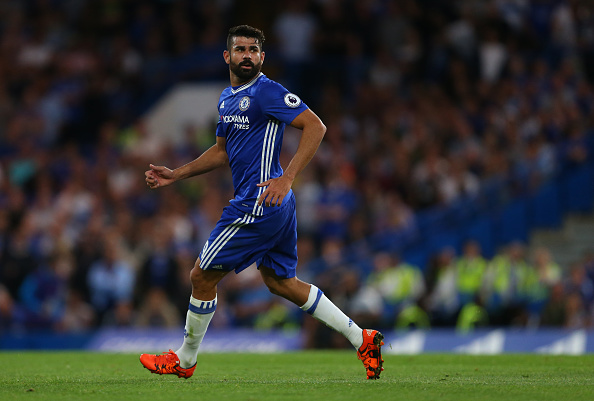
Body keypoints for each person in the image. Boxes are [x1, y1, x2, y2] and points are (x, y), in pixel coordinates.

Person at [139, 25, 384, 380]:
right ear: (227, 56)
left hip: (260, 201)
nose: (247, 56)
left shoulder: (268, 91)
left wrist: (288, 177)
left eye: (254, 50)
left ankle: (185, 360)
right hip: (274, 204)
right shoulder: (226, 98)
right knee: (280, 282)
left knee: (200, 275)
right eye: (240, 50)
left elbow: (316, 126)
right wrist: (177, 174)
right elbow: (222, 152)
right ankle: (362, 337)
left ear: (262, 57)